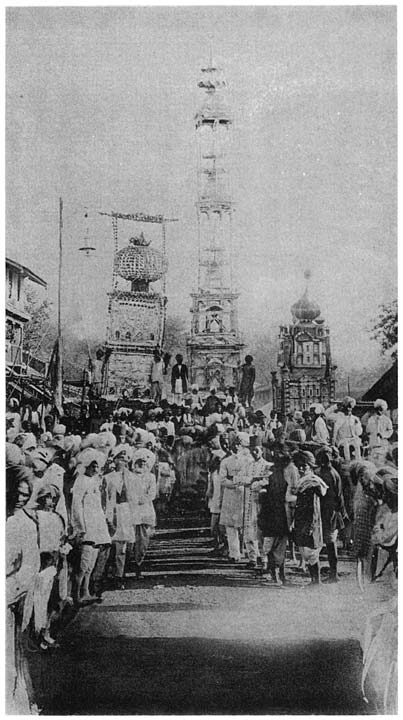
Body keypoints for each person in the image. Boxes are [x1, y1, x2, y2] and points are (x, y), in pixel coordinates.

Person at [71, 449, 111, 605]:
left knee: (91, 563)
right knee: (83, 562)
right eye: (92, 466)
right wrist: (80, 526)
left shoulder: (95, 481)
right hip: (86, 524)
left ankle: (86, 591)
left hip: (96, 523)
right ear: (86, 466)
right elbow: (76, 506)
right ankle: (76, 595)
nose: (94, 469)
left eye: (97, 467)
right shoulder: (80, 480)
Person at [293, 450, 328, 586]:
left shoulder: (312, 483)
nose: (301, 469)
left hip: (310, 521)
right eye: (299, 466)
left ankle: (316, 581)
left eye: (304, 466)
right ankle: (313, 580)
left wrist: (310, 525)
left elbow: (313, 509)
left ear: (310, 466)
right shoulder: (303, 482)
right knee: (306, 551)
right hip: (302, 519)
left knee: (311, 553)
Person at [316, 447, 349, 582]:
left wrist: (342, 512)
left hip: (330, 512)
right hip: (325, 510)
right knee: (327, 542)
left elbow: (339, 497)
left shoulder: (331, 474)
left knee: (330, 543)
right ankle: (331, 572)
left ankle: (333, 574)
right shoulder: (324, 472)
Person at [105, 445, 135, 589]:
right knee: (109, 544)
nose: (123, 461)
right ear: (115, 460)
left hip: (125, 512)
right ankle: (106, 574)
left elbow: (135, 498)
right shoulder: (108, 477)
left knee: (122, 547)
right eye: (120, 458)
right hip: (112, 510)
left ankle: (119, 575)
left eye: (125, 459)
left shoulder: (131, 477)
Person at [219, 433, 251, 562]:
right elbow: (222, 479)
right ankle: (234, 553)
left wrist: (240, 481)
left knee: (245, 523)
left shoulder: (249, 461)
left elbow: (251, 477)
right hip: (230, 494)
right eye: (235, 443)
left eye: (240, 444)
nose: (237, 446)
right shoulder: (226, 461)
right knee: (231, 526)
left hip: (244, 493)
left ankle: (249, 552)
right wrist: (234, 483)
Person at [258, 450, 289, 584]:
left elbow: (262, 496)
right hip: (278, 515)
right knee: (279, 545)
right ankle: (279, 574)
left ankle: (276, 574)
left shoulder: (272, 475)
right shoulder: (283, 475)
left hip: (271, 515)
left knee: (272, 546)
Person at [128, 449, 157, 578]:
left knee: (143, 539)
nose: (142, 465)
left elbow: (152, 493)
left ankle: (139, 563)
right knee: (131, 537)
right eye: (139, 462)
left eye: (145, 463)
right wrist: (134, 500)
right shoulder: (129, 476)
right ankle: (129, 563)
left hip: (145, 509)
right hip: (132, 509)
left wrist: (143, 499)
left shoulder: (151, 477)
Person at [243, 444, 272, 569]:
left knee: (260, 531)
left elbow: (268, 481)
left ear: (262, 451)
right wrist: (249, 480)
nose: (254, 452)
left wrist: (257, 482)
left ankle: (264, 559)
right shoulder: (248, 465)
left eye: (257, 450)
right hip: (248, 501)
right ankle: (252, 558)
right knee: (249, 531)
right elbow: (240, 478)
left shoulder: (267, 465)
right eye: (252, 450)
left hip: (261, 503)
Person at [334, 397, 362, 461]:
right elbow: (335, 430)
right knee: (346, 446)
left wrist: (357, 425)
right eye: (348, 407)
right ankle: (347, 461)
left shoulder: (355, 418)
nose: (349, 409)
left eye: (350, 407)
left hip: (352, 438)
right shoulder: (340, 417)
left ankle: (358, 461)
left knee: (357, 444)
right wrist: (335, 442)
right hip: (343, 439)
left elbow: (359, 433)